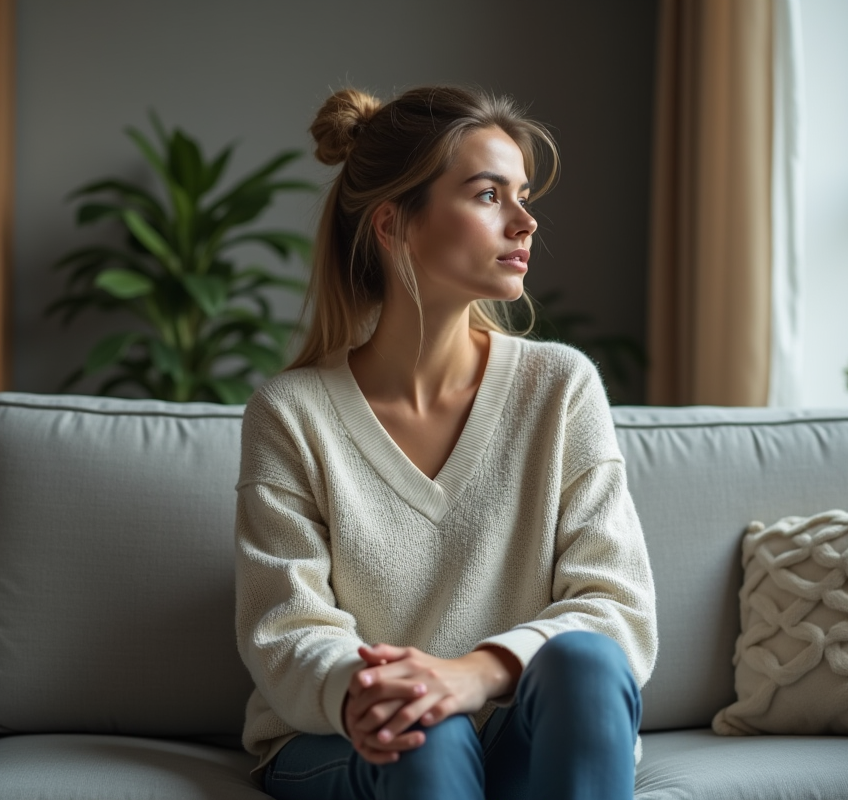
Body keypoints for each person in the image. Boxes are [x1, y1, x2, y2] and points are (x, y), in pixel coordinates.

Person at [235, 85, 658, 800]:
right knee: (424, 729)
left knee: (586, 663)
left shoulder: (561, 388)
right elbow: (284, 625)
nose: (525, 222)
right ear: (392, 225)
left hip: (512, 724)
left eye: (522, 196)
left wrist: (471, 676)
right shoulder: (291, 413)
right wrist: (366, 691)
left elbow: (616, 607)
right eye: (490, 195)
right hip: (354, 736)